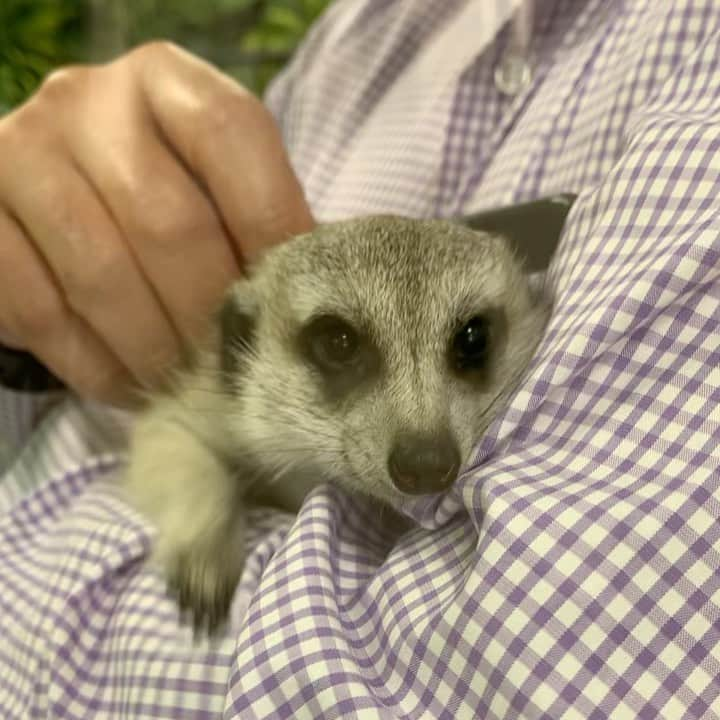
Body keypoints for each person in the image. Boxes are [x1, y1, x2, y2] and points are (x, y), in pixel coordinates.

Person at [1, 1, 719, 718]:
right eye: (340, 346)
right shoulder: (352, 35)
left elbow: (480, 667)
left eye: (468, 345)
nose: (425, 440)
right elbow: (175, 433)